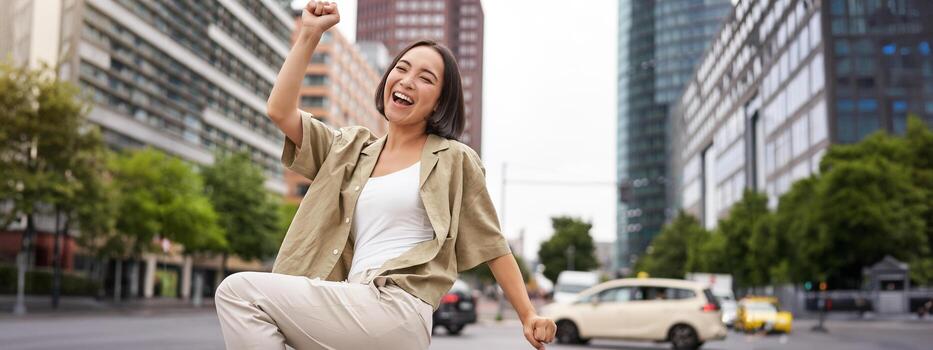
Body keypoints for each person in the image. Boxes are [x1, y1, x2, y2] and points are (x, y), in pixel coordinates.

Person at [213, 1, 557, 349]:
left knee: (239, 293)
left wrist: (528, 314)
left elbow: (493, 244)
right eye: (402, 68)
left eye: (425, 78)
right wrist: (310, 33)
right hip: (353, 301)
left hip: (398, 307)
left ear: (439, 102)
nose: (407, 81)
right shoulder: (348, 149)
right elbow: (280, 110)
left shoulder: (453, 159)